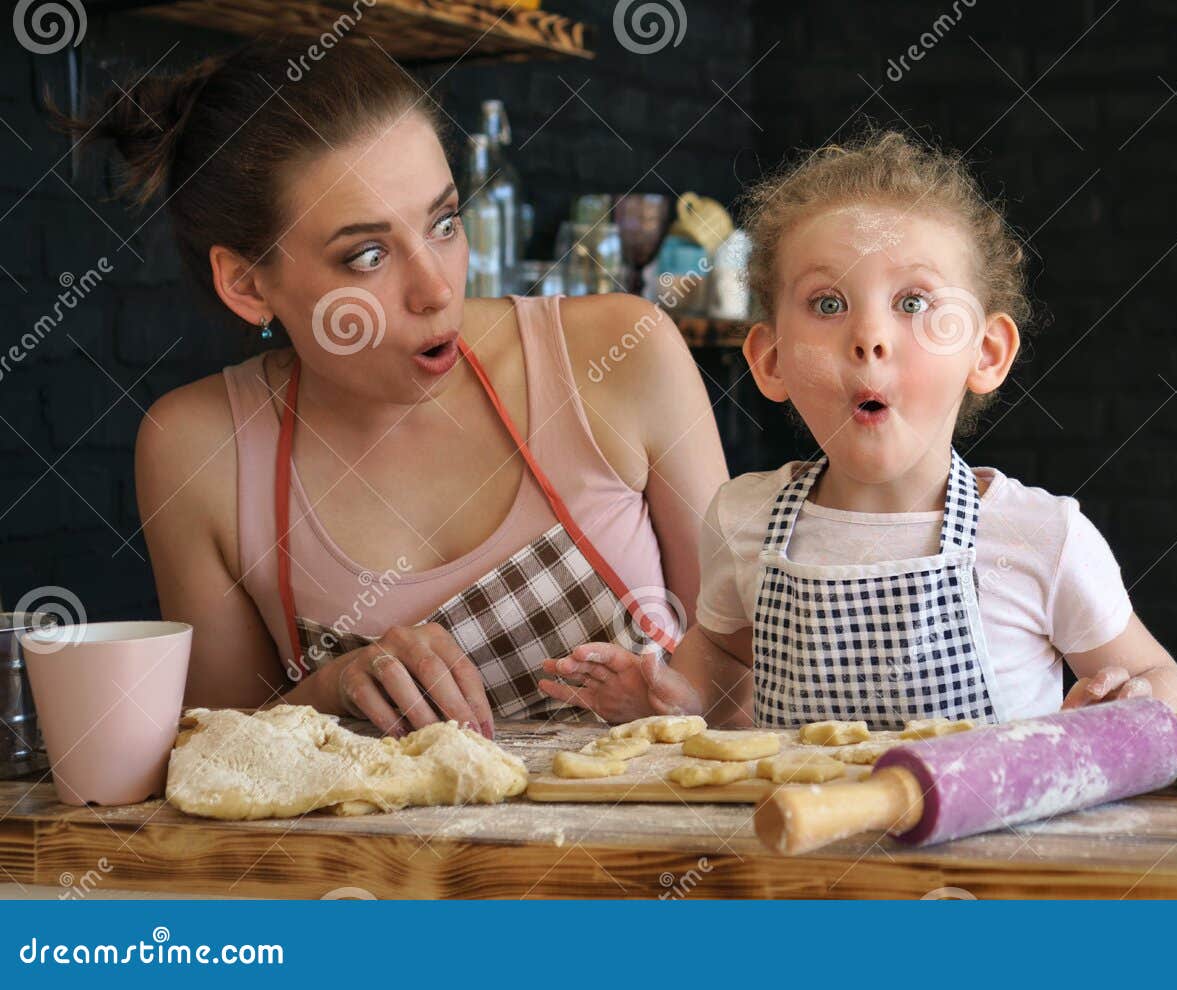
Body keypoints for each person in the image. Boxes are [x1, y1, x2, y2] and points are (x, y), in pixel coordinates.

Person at [54, 38, 726, 737]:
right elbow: (218, 771)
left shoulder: (620, 355)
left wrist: (687, 704)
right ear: (249, 285)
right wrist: (329, 688)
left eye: (443, 223)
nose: (436, 290)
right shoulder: (199, 449)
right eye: (367, 256)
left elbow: (750, 673)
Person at [538, 130, 1177, 729]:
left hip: (987, 861)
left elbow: (1164, 683)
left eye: (913, 303)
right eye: (828, 304)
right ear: (771, 360)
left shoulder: (1043, 539)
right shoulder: (743, 521)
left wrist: (1125, 711)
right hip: (798, 852)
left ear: (985, 353)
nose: (869, 337)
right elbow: (723, 677)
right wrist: (666, 701)